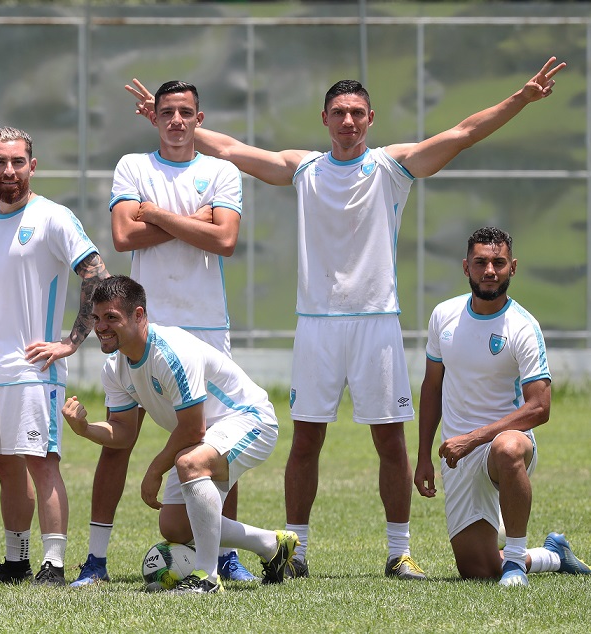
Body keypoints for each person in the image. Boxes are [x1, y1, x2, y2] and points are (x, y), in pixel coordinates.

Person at [126, 55, 565, 580]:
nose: (349, 121)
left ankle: (398, 551)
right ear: (325, 118)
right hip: (316, 324)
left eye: (357, 112)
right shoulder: (304, 168)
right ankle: (298, 551)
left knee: (389, 441)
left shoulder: (392, 166)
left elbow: (464, 132)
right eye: (339, 112)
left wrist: (520, 98)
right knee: (306, 439)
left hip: (376, 323)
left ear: (371, 118)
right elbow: (236, 151)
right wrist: (177, 119)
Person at [73, 80, 253, 588]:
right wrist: (191, 220)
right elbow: (124, 235)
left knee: (219, 444)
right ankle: (96, 560)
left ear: (200, 117)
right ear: (153, 117)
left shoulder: (221, 170)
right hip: (139, 324)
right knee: (119, 440)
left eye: (186, 112)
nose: (177, 120)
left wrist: (156, 213)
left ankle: (222, 558)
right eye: (168, 112)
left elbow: (225, 240)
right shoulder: (133, 166)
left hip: (205, 324)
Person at [63, 275, 298, 594]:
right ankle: (272, 545)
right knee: (175, 526)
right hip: (208, 434)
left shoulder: (171, 353)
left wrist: (154, 470)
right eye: (97, 318)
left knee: (190, 463)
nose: (101, 327)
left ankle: (207, 576)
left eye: (111, 318)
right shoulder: (114, 368)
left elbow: (192, 428)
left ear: (139, 315)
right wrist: (85, 428)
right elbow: (122, 432)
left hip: (249, 418)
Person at [0, 126, 111, 586]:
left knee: (42, 462)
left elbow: (96, 274)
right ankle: (16, 560)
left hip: (36, 369)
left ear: (32, 166)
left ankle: (54, 565)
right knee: (5, 465)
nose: (9, 171)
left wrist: (72, 340)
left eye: (18, 162)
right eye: (0, 162)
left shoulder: (54, 218)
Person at [414, 227, 591, 586]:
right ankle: (552, 555)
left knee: (508, 447)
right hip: (458, 455)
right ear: (466, 267)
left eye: (498, 262)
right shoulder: (443, 316)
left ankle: (514, 561)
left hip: (506, 444)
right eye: (481, 262)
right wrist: (422, 458)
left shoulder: (523, 326)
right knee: (477, 570)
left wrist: (474, 438)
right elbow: (432, 388)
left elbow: (539, 408)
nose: (489, 270)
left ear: (513, 267)